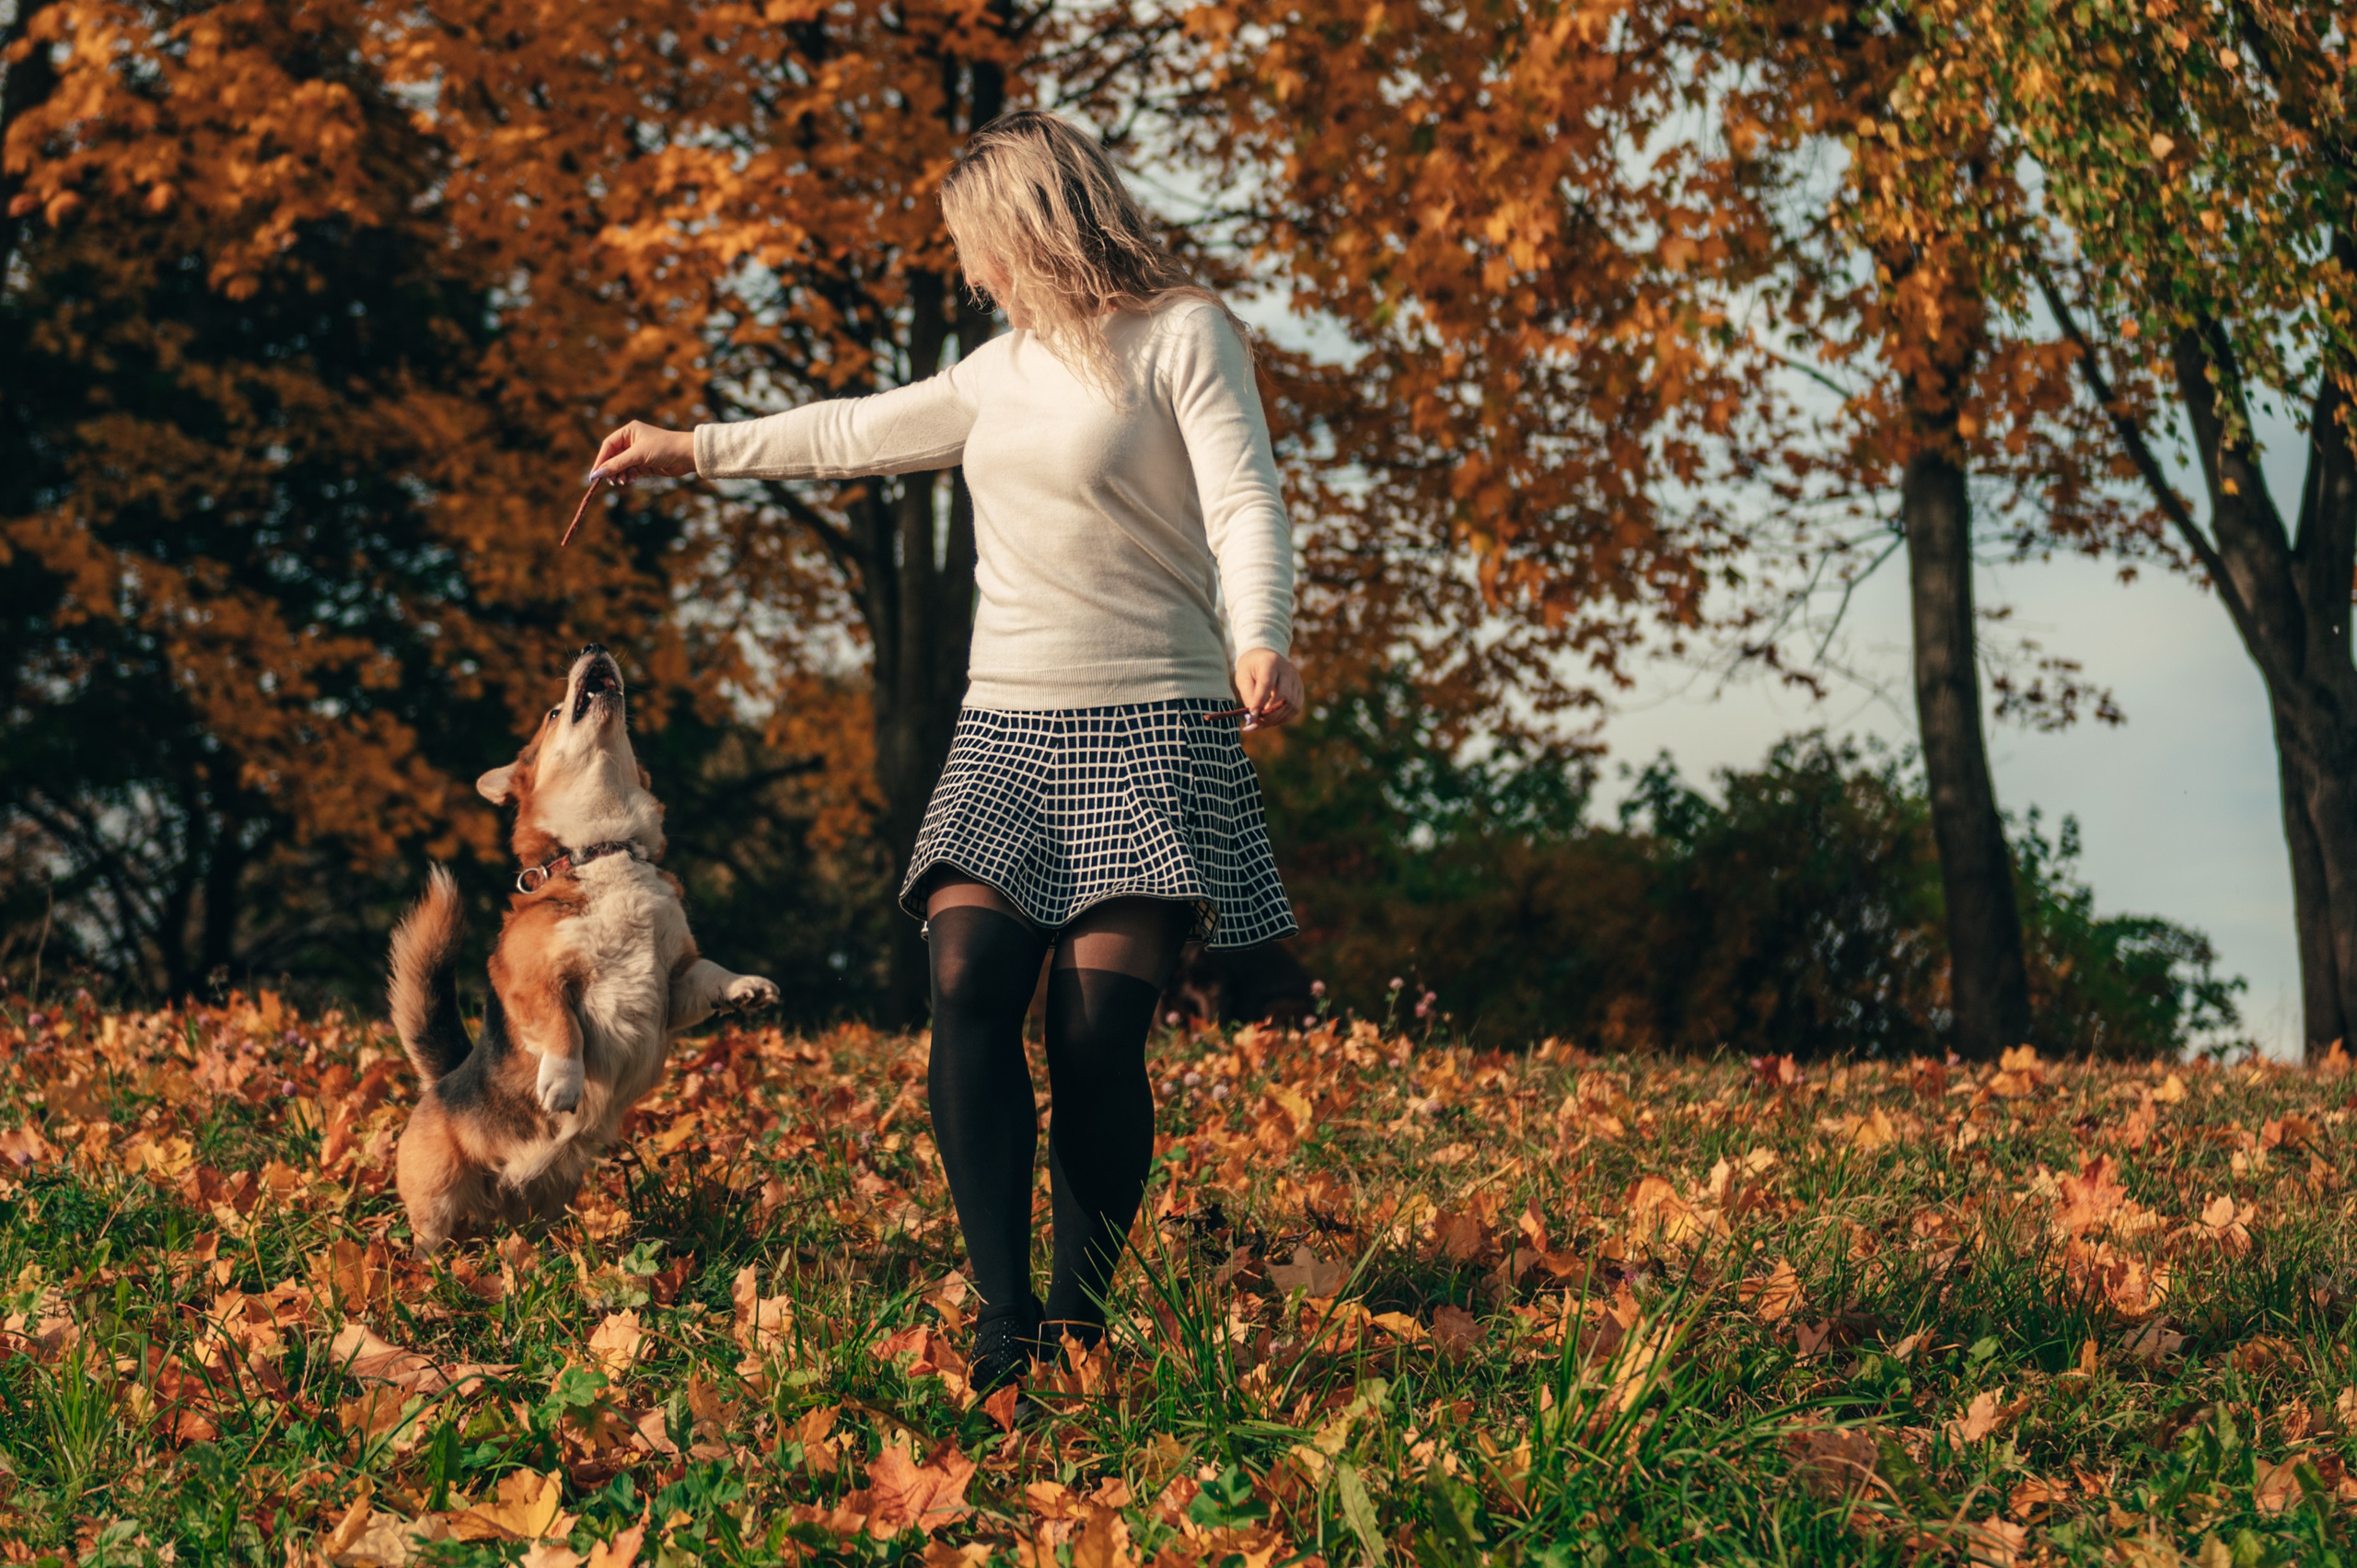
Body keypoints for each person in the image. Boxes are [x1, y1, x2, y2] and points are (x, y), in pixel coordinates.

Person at [589, 110, 1304, 1395]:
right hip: (1007, 729)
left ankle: (1080, 1328)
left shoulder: (1184, 335)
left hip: (1153, 722)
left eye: (977, 249)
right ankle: (1003, 1320)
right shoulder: (996, 373)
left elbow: (1244, 496)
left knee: (1094, 1036)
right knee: (967, 978)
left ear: (1029, 227)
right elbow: (850, 432)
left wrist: (1261, 638)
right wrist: (688, 450)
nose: (972, 277)